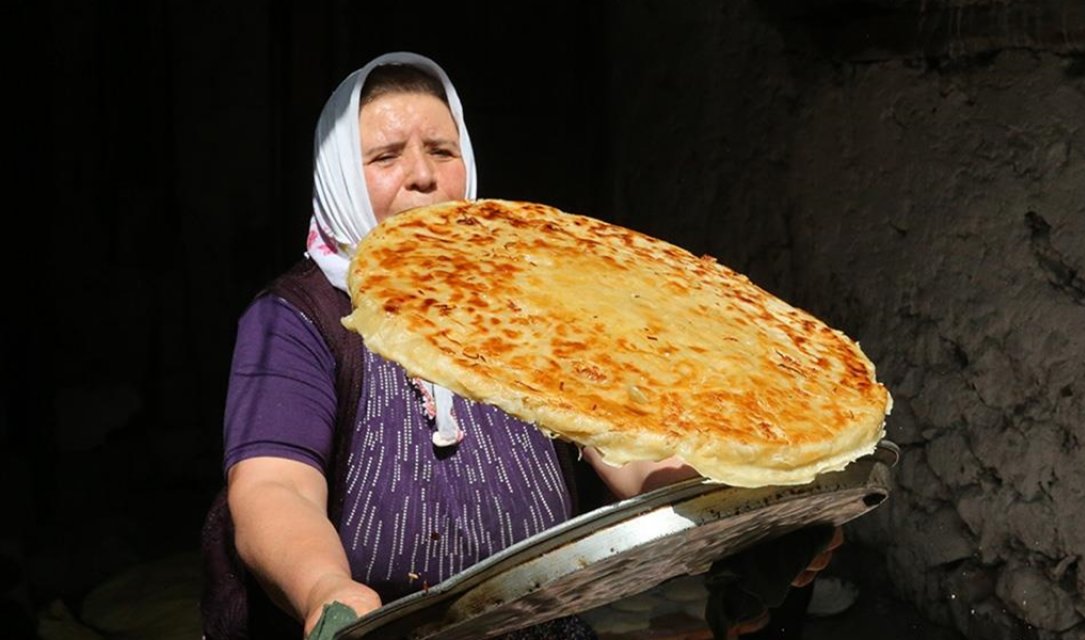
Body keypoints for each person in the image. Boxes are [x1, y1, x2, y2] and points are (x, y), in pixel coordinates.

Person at [203, 51, 837, 639]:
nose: (422, 176)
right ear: (340, 175)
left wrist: (741, 520)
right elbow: (274, 488)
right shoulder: (299, 317)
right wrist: (328, 592)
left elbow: (627, 452)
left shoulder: (525, 303)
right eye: (386, 156)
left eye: (442, 150)